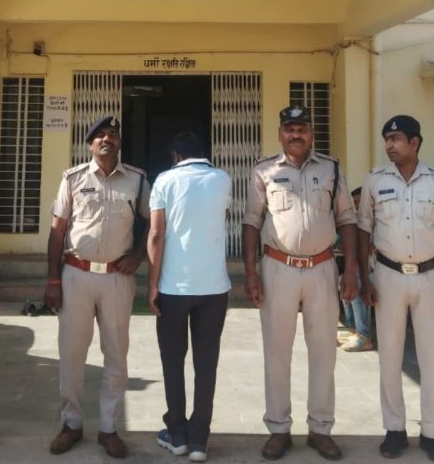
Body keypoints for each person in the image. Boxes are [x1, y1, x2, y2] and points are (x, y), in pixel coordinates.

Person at [242, 105, 358, 462]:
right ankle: (278, 429)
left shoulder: (331, 169)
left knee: (323, 352)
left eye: (302, 129)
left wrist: (351, 269)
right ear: (281, 133)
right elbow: (251, 220)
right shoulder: (264, 170)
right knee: (277, 352)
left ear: (311, 133)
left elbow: (347, 218)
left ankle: (320, 429)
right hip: (278, 268)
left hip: (322, 268)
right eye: (290, 129)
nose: (296, 134)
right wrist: (250, 271)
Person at [357, 115, 434, 463]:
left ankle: (433, 434)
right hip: (387, 277)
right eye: (386, 139)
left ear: (415, 142)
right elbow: (363, 231)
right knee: (389, 357)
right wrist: (364, 279)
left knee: (432, 359)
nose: (389, 145)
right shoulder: (375, 180)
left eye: (396, 139)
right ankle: (394, 430)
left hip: (430, 277)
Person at [45, 116, 149, 459]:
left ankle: (109, 428)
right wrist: (53, 279)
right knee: (72, 354)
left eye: (113, 135)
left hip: (117, 278)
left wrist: (138, 256)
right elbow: (58, 231)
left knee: (116, 354)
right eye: (100, 136)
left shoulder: (137, 180)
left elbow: (154, 222)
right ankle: (71, 423)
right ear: (90, 145)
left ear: (119, 142)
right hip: (76, 275)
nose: (107, 140)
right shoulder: (73, 178)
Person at [147, 131, 232, 463]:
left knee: (173, 360)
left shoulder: (164, 181)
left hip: (174, 289)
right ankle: (199, 440)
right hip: (214, 288)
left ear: (175, 156)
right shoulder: (222, 179)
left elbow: (156, 234)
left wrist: (153, 284)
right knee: (206, 363)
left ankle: (177, 434)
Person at [338, 188, 374, 352]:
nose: (358, 206)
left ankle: (363, 334)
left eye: (360, 202)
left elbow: (373, 247)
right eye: (355, 203)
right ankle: (351, 327)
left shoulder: (375, 220)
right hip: (361, 267)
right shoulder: (355, 221)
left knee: (356, 284)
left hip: (376, 268)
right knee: (343, 282)